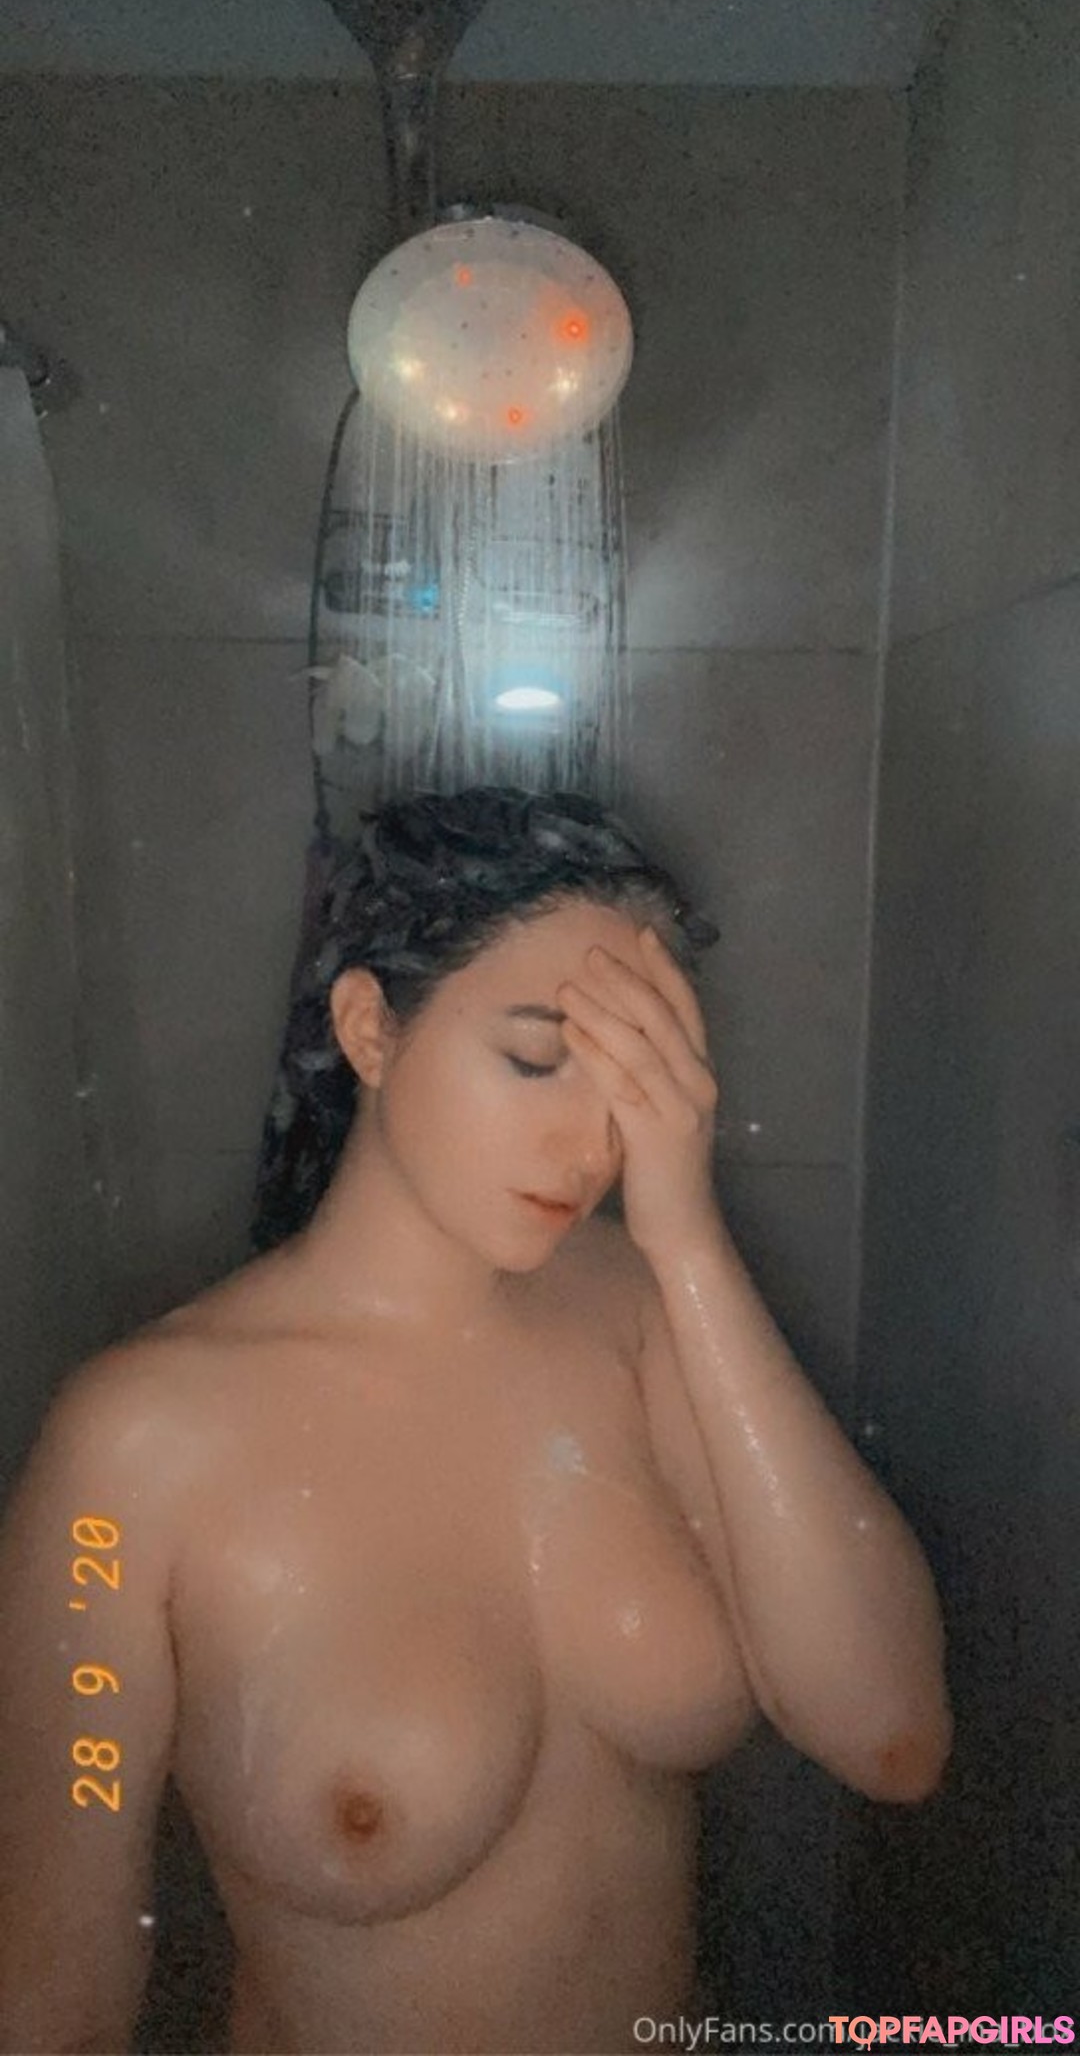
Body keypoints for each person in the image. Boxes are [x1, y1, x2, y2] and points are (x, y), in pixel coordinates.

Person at [0, 785, 952, 2056]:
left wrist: (687, 1240)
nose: (588, 1143)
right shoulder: (129, 1453)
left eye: (631, 1083)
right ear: (370, 1027)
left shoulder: (642, 1311)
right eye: (535, 1059)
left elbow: (892, 1736)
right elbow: (57, 1989)